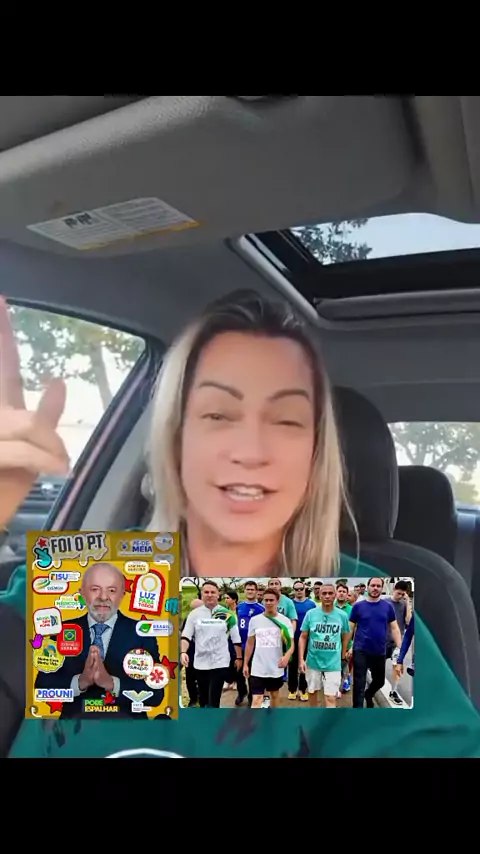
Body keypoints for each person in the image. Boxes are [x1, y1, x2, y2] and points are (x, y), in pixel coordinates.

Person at [0, 291, 479, 758]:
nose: (251, 451)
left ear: (315, 454)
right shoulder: (84, 582)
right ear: (176, 438)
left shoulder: (358, 615)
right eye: (218, 414)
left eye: (286, 420)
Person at [34, 561, 164, 718]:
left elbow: (156, 695)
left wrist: (111, 683)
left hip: (128, 727)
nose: (103, 597)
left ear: (122, 594)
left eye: (112, 590)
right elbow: (42, 688)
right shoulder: (60, 631)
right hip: (75, 726)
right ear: (82, 593)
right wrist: (81, 682)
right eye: (95, 589)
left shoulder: (142, 633)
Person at [180, 581, 242, 708]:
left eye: (212, 592)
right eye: (206, 592)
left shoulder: (228, 615)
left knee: (213, 699)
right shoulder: (194, 614)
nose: (209, 595)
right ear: (202, 594)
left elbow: (236, 638)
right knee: (203, 700)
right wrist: (183, 652)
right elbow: (186, 635)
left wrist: (239, 657)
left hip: (220, 662)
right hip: (200, 663)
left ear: (218, 594)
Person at [348, 577, 402, 708]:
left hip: (379, 651)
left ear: (382, 588)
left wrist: (400, 649)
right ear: (368, 587)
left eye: (378, 586)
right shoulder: (358, 606)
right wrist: (347, 647)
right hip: (360, 650)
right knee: (359, 684)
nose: (375, 588)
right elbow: (350, 627)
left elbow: (394, 628)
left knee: (379, 681)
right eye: (373, 585)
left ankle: (369, 694)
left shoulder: (387, 607)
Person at [298, 583, 351, 708]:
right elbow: (303, 636)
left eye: (330, 593)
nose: (327, 596)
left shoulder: (342, 615)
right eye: (324, 593)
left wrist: (343, 653)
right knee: (312, 692)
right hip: (313, 661)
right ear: (319, 595)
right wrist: (301, 659)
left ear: (335, 595)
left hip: (333, 663)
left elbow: (346, 635)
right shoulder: (311, 614)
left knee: (330, 697)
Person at [243, 587, 294, 708]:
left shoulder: (285, 621)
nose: (269, 603)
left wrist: (287, 657)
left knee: (274, 695)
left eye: (271, 600)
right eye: (266, 600)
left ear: (277, 602)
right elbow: (250, 643)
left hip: (275, 666)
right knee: (257, 699)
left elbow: (291, 643)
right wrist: (245, 663)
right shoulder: (255, 620)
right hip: (258, 667)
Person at [235, 580, 265, 706]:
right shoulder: (239, 607)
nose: (250, 591)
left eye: (252, 589)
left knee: (253, 673)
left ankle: (252, 697)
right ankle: (241, 692)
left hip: (254, 646)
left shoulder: (261, 608)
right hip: (240, 644)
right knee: (238, 672)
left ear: (256, 591)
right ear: (244, 591)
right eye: (248, 589)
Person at [386, 580, 412, 705]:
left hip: (397, 641)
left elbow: (408, 621)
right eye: (398, 593)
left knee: (397, 665)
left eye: (402, 594)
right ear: (394, 590)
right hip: (383, 640)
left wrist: (408, 602)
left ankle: (393, 691)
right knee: (376, 666)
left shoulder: (404, 604)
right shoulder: (385, 602)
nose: (400, 596)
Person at [288, 580, 315, 701]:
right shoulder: (290, 604)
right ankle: (292, 689)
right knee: (292, 665)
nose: (299, 591)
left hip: (307, 639)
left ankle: (303, 689)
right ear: (294, 590)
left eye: (301, 589)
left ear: (305, 589)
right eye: (296, 589)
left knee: (305, 664)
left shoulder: (311, 604)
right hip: (293, 639)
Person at [181, 597, 202, 707]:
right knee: (190, 678)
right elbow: (184, 636)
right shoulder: (188, 620)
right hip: (190, 653)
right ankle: (193, 698)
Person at [334, 581, 353, 693]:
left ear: (347, 594)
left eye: (344, 591)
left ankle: (345, 681)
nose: (341, 593)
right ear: (336, 593)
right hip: (332, 644)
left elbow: (356, 629)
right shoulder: (330, 607)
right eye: (339, 591)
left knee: (344, 664)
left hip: (347, 643)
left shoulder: (352, 609)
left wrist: (352, 647)